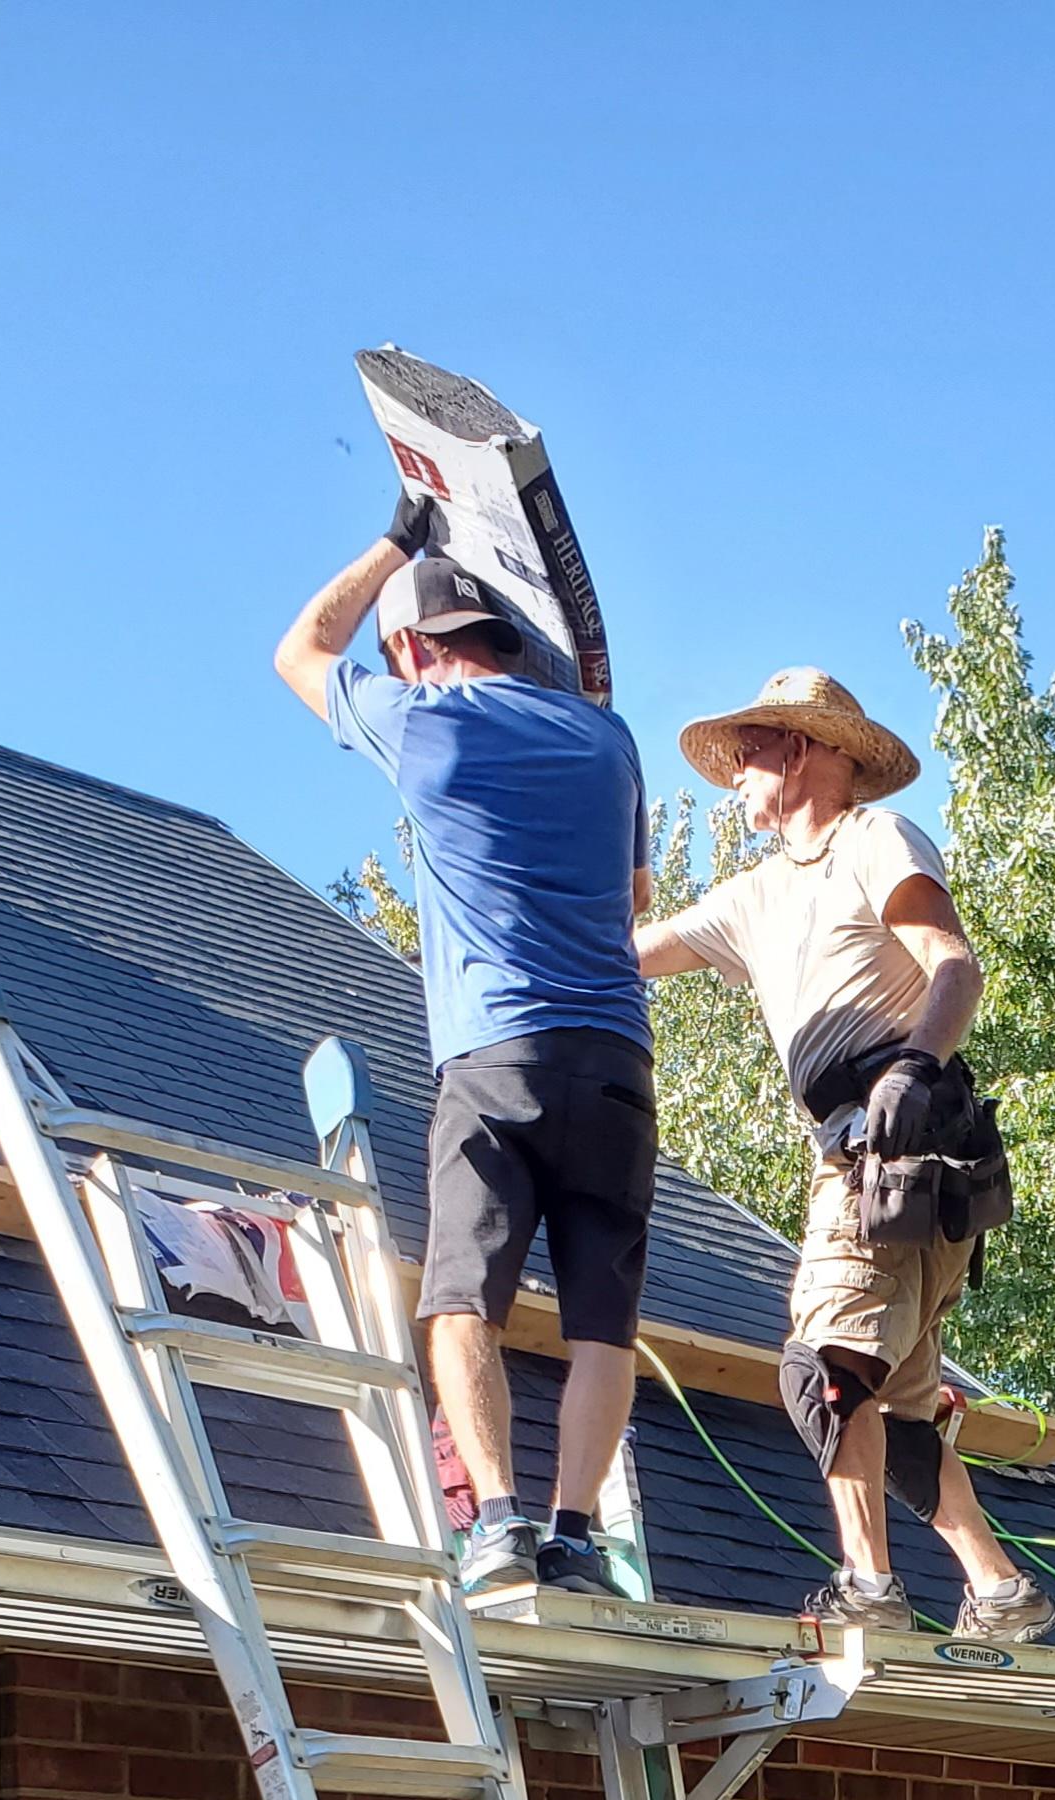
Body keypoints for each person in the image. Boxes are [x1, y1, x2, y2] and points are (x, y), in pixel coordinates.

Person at [275, 491, 655, 1598]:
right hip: (616, 1059)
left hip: (495, 1056)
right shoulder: (608, 738)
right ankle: (577, 1536)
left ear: (410, 647)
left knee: (459, 1297)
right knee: (602, 1324)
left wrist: (396, 535)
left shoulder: (423, 722)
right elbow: (635, 895)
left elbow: (300, 649)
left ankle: (496, 1522)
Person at [636, 667, 1055, 1639]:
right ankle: (1000, 1592)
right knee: (898, 1411)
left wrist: (913, 1066)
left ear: (808, 750)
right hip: (897, 1164)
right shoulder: (749, 899)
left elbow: (952, 965)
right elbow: (625, 949)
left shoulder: (872, 840)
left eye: (750, 751)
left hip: (892, 1140)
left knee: (818, 1368)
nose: (735, 775)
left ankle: (867, 1591)